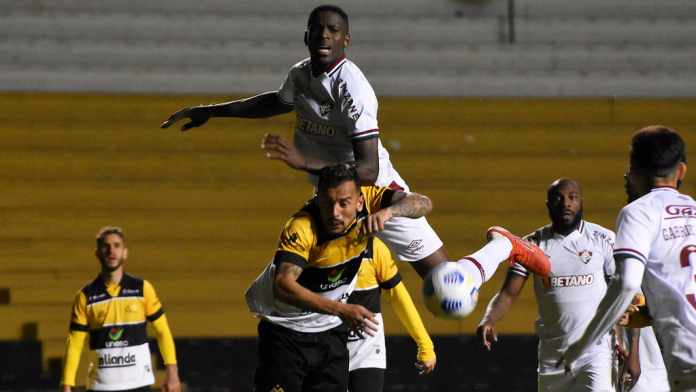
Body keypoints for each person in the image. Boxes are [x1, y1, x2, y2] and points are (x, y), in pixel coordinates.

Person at [160, 5, 551, 281]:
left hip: (373, 192)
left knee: (447, 290)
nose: (325, 35)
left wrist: (303, 162)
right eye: (318, 29)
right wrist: (211, 110)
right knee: (314, 271)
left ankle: (503, 247)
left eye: (333, 31)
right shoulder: (300, 74)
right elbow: (273, 103)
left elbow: (366, 170)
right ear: (307, 36)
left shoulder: (354, 90)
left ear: (346, 41)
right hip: (333, 198)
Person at [244, 163, 434, 392]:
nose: (335, 213)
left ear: (359, 201)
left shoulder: (371, 201)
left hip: (331, 334)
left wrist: (389, 212)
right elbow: (283, 285)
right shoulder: (302, 227)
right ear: (317, 198)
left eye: (344, 203)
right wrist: (341, 309)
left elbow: (423, 203)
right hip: (287, 333)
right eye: (327, 203)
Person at [561, 126, 695, 391]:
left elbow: (627, 284)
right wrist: (645, 314)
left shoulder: (638, 212)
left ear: (633, 172)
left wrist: (583, 344)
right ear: (681, 171)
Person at [476, 178, 637, 391]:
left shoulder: (603, 239)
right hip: (553, 357)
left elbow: (626, 295)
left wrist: (633, 352)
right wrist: (489, 318)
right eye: (558, 198)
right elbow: (507, 294)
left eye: (572, 197)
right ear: (548, 205)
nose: (566, 203)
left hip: (597, 353)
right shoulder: (532, 245)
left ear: (581, 202)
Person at [60, 227, 181, 392]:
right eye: (106, 246)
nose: (112, 250)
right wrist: (67, 383)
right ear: (97, 253)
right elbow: (74, 343)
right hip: (101, 387)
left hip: (139, 384)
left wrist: (172, 373)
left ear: (125, 253)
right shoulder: (85, 296)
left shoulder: (142, 289)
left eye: (117, 245)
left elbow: (163, 332)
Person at [347, 249, 436, 392]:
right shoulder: (315, 243)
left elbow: (400, 298)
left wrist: (425, 344)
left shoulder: (374, 249)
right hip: (327, 347)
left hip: (366, 350)